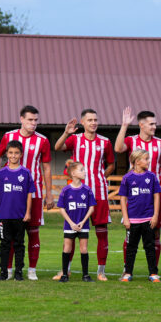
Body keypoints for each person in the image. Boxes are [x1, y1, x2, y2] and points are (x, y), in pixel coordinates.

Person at [0, 105, 53, 281]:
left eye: (35, 120)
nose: (33, 123)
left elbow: (47, 168)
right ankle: (9, 270)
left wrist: (49, 193)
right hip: (11, 194)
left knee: (33, 231)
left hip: (32, 193)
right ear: (21, 119)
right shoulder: (9, 137)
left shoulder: (42, 140)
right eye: (30, 120)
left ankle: (31, 269)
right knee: (10, 233)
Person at [55, 108, 116, 281]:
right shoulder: (75, 139)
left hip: (99, 193)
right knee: (72, 232)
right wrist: (66, 133)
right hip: (76, 193)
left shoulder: (104, 142)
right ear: (83, 122)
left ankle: (101, 271)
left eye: (95, 119)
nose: (93, 123)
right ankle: (65, 270)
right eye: (89, 120)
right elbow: (58, 147)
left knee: (102, 232)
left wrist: (101, 177)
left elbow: (111, 164)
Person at [115, 108, 161, 274]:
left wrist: (160, 186)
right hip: (135, 196)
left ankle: (154, 270)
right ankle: (127, 268)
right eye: (151, 124)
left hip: (154, 193)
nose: (154, 127)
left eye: (155, 124)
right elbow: (118, 148)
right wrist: (124, 125)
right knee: (130, 232)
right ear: (141, 125)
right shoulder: (132, 141)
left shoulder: (160, 143)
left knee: (156, 232)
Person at [0, 140, 35, 281]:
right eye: (10, 153)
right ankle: (3, 272)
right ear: (6, 154)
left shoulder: (26, 173)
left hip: (20, 216)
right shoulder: (1, 173)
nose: (13, 155)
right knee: (5, 244)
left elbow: (29, 194)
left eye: (16, 153)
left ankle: (18, 272)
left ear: (21, 154)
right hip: (4, 215)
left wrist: (28, 212)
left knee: (19, 244)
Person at [119, 149, 161, 282]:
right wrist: (125, 218)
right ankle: (128, 272)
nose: (149, 161)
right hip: (132, 220)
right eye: (146, 159)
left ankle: (153, 273)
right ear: (137, 161)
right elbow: (122, 199)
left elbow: (156, 197)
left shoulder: (152, 176)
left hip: (148, 219)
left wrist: (155, 216)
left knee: (149, 247)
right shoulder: (127, 178)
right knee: (131, 247)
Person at [57, 162, 96, 282]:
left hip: (83, 225)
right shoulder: (66, 190)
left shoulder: (87, 189)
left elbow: (91, 207)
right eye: (81, 170)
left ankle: (85, 275)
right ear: (73, 173)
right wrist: (71, 223)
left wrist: (83, 221)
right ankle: (64, 275)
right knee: (67, 249)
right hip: (70, 225)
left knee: (84, 249)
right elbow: (61, 208)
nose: (85, 172)